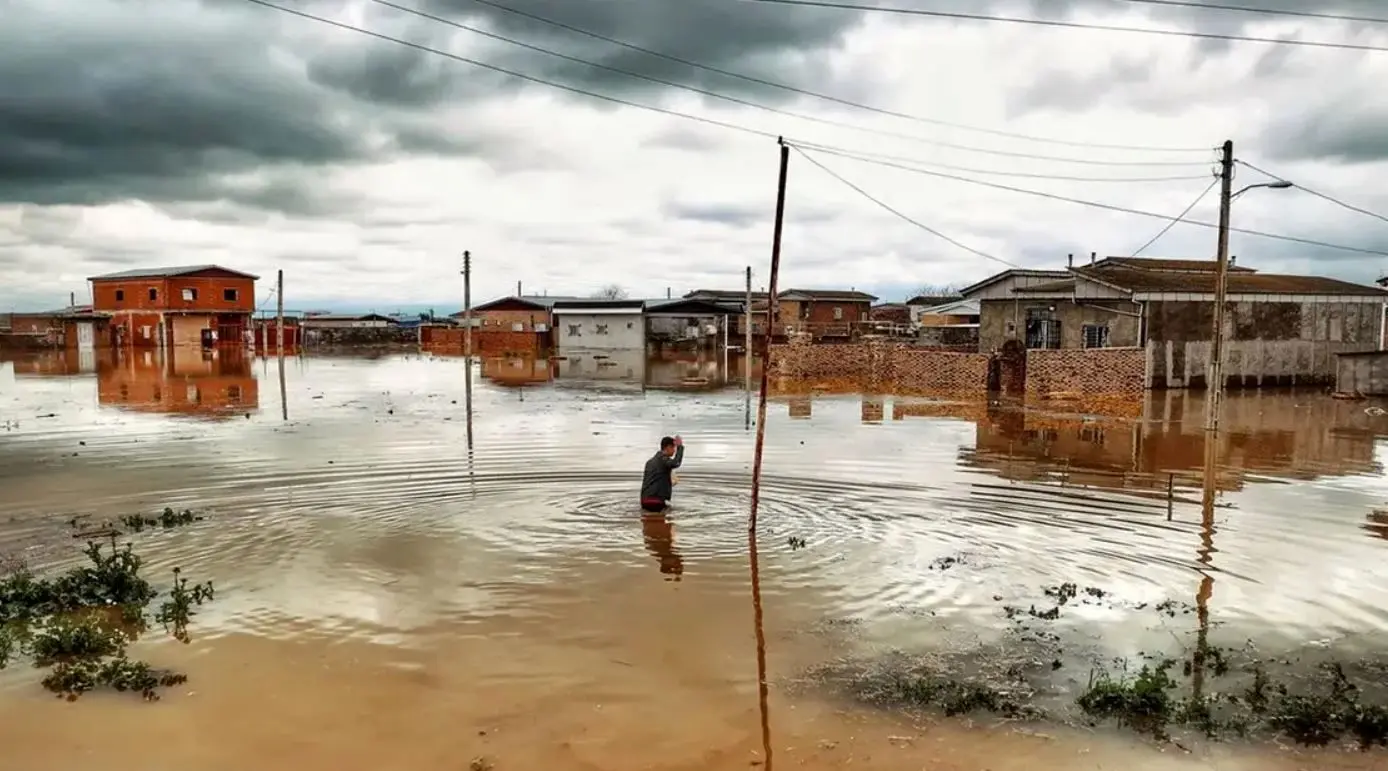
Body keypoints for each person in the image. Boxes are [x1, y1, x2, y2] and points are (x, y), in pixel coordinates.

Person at [640, 435, 684, 513]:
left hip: (644, 500)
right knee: (668, 519)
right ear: (668, 447)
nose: (674, 451)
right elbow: (676, 463)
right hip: (657, 501)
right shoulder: (663, 460)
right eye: (673, 448)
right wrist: (680, 447)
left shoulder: (649, 462)